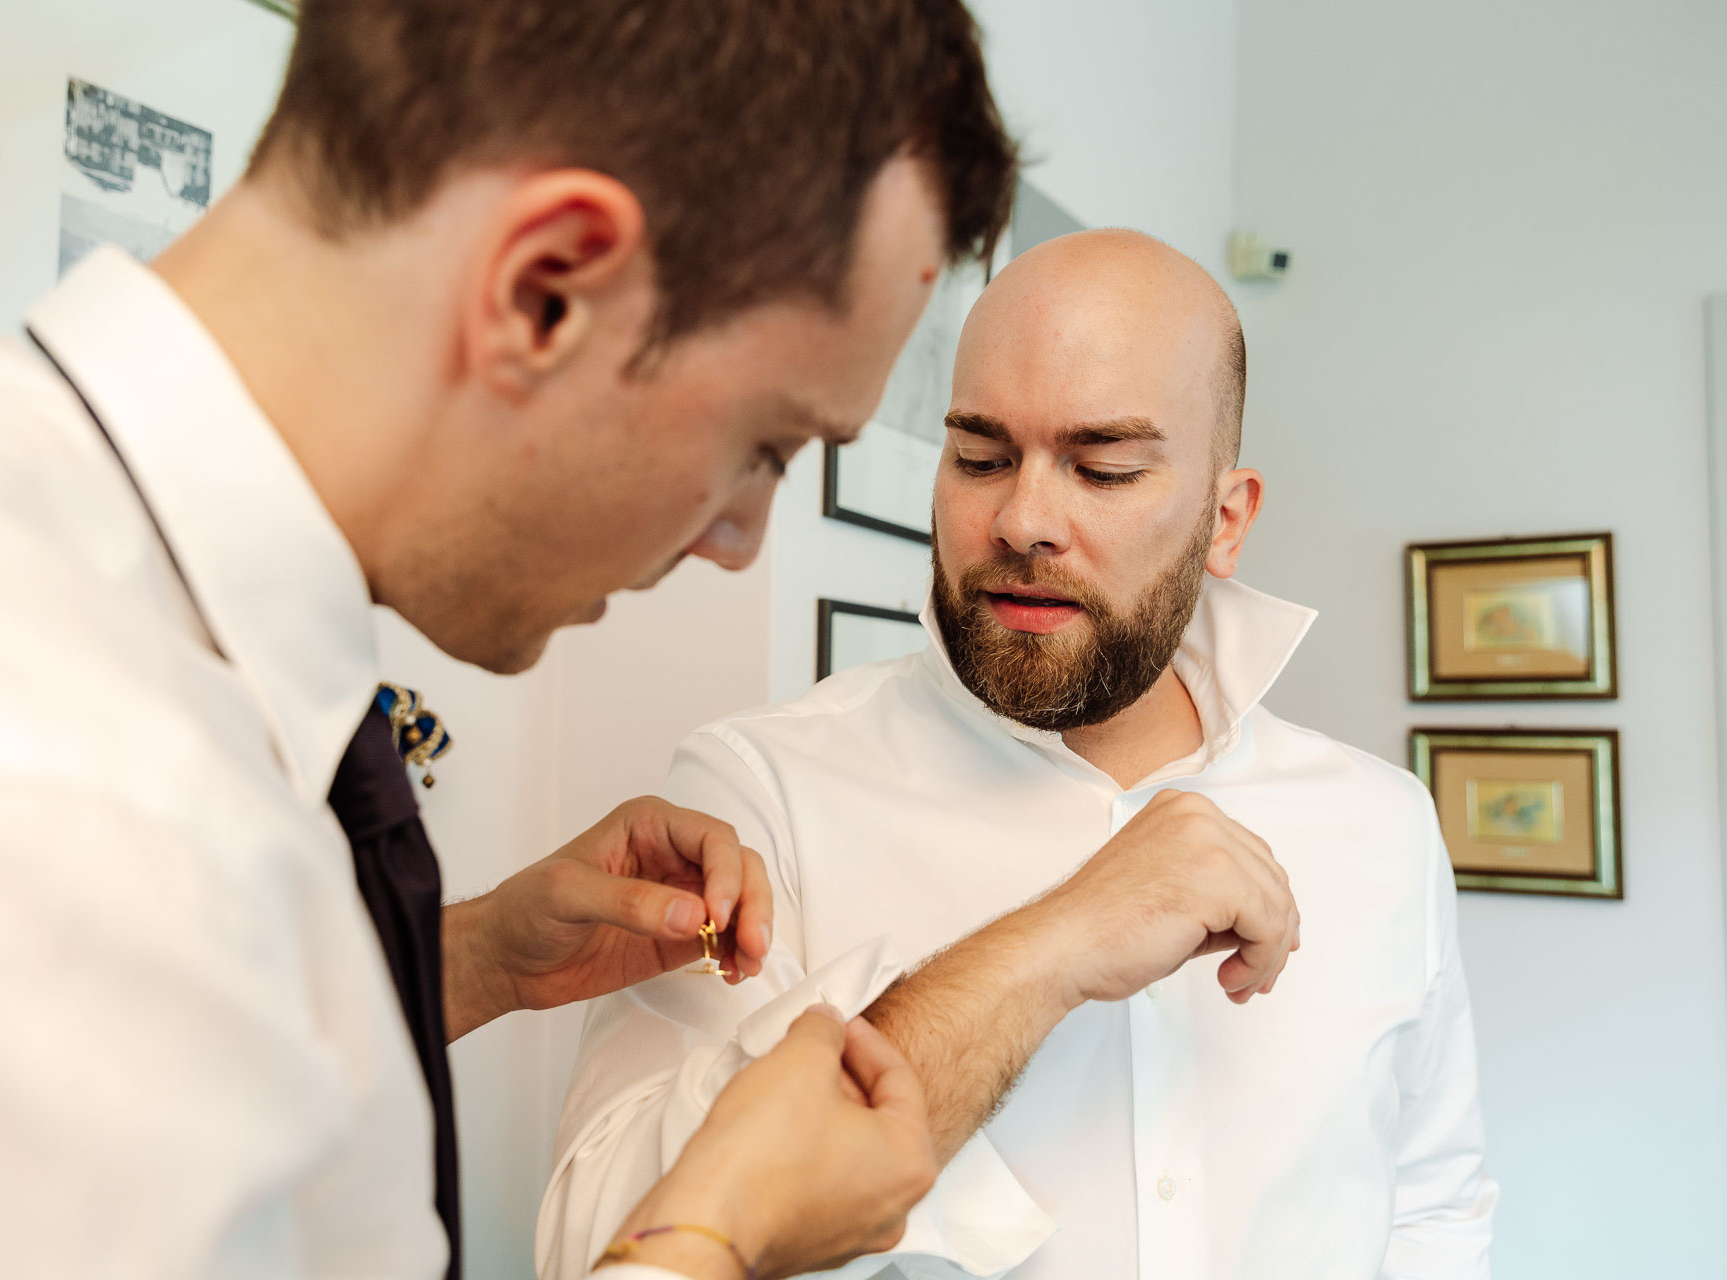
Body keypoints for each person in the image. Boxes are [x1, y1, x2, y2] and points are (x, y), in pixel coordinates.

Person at [0, 3, 1023, 1277]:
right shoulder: (23, 802)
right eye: (766, 446)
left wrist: (469, 956)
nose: (739, 541)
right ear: (546, 289)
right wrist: (713, 1233)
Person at [539, 231, 1497, 1279]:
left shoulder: (1381, 823)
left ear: (1226, 521)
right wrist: (1048, 944)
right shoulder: (756, 795)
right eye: (981, 458)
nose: (1023, 519)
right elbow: (595, 1250)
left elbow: (1433, 1201)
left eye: (1104, 468)